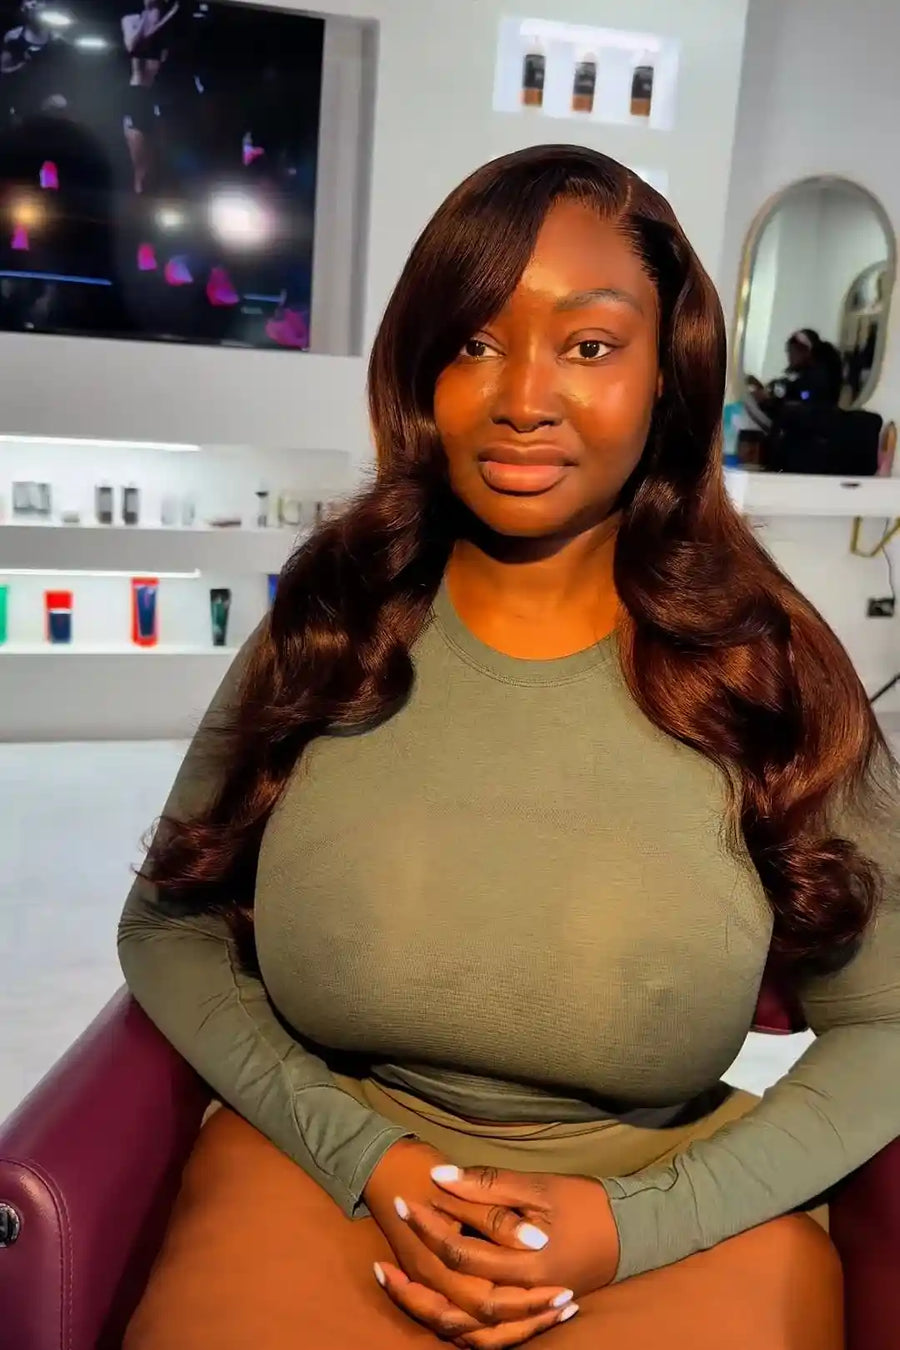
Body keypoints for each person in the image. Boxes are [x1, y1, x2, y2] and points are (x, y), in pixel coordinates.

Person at [119, 145, 899, 1349]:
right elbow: (169, 928)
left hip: (660, 1211)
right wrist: (364, 1154)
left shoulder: (767, 668)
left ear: (668, 371)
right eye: (475, 342)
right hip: (332, 1173)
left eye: (588, 345)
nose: (522, 397)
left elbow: (887, 1024)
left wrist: (632, 1225)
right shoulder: (332, 624)